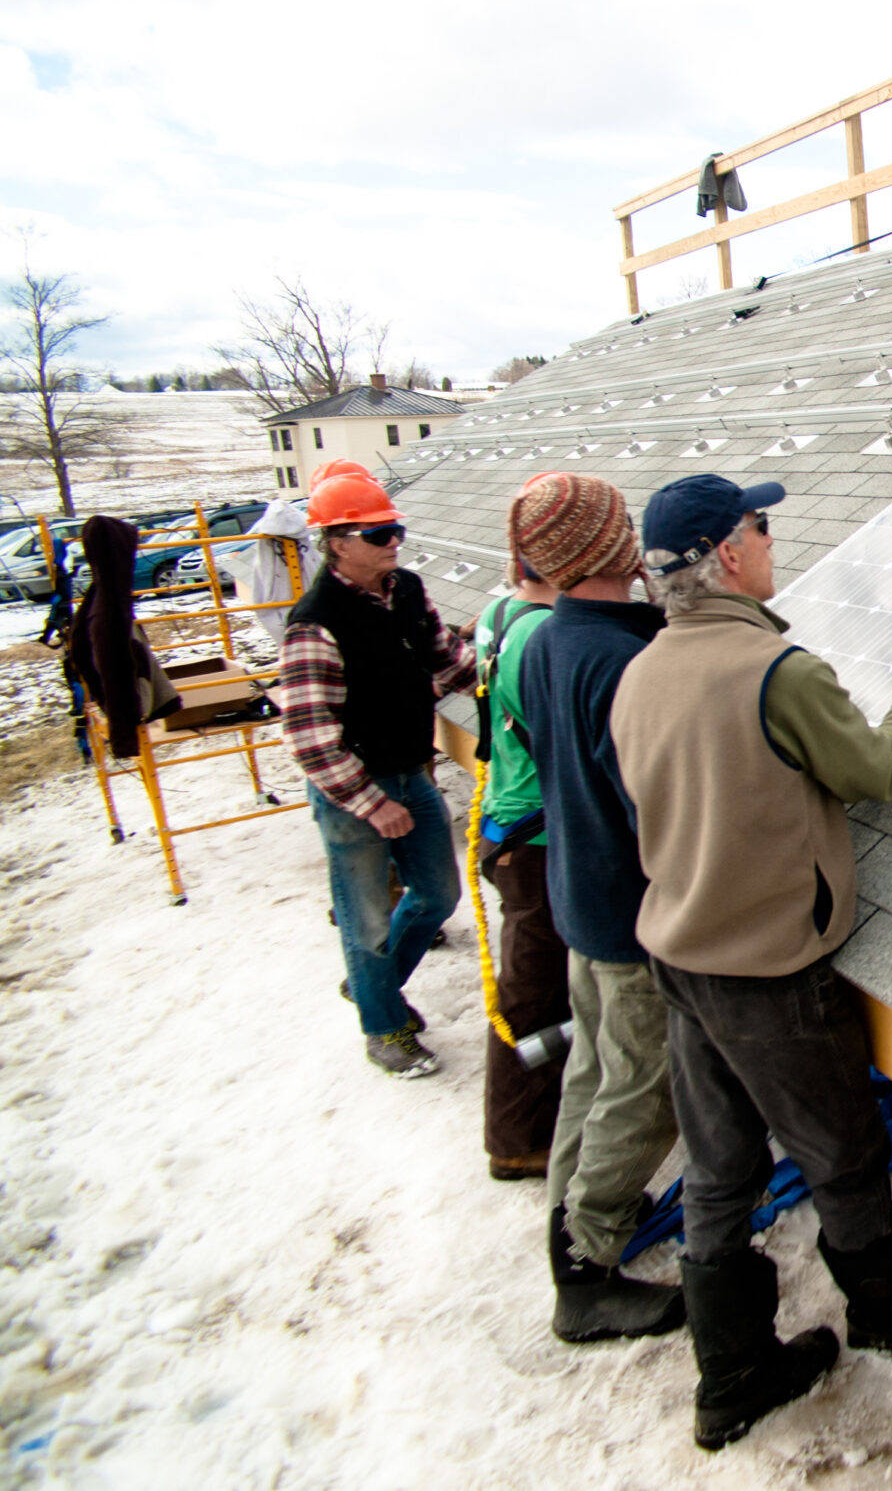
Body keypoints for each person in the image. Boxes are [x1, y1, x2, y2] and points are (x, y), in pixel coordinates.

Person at [612, 474, 892, 1451]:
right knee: (843, 1151)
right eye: (760, 524)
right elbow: (877, 771)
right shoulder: (776, 672)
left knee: (718, 1170)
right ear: (727, 553)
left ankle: (732, 1375)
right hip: (769, 973)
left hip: (681, 956)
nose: (771, 538)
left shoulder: (640, 671)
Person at [508, 472, 683, 1344]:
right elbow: (655, 806)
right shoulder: (617, 662)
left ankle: (570, 1217)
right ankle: (587, 1267)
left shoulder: (550, 637)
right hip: (627, 913)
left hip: (579, 895)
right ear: (609, 545)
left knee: (593, 1071)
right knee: (644, 1087)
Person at [273, 470, 473, 1078]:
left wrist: (513, 679)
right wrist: (370, 803)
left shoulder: (405, 590)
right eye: (379, 533)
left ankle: (371, 987)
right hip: (353, 789)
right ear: (337, 543)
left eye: (396, 531)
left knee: (438, 895)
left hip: (411, 769)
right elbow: (309, 736)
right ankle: (384, 1028)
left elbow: (447, 659)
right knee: (365, 920)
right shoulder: (316, 622)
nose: (394, 542)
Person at [473, 531, 566, 1182]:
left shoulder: (502, 611)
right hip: (534, 839)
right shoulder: (540, 634)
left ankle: (532, 1123)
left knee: (536, 985)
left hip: (510, 824)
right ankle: (518, 1140)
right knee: (532, 995)